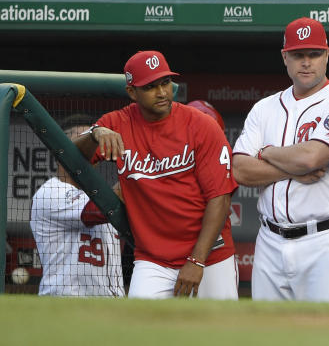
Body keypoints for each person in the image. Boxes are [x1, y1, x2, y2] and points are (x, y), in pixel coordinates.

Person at [74, 50, 238, 299]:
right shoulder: (117, 123)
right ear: (132, 92)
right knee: (141, 332)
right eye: (151, 86)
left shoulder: (201, 125)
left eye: (165, 82)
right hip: (153, 260)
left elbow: (220, 198)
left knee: (220, 334)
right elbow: (69, 161)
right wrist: (94, 133)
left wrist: (197, 260)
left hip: (210, 254)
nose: (162, 92)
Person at [232, 17, 329, 301]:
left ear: (327, 55)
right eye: (298, 55)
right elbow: (240, 170)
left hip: (324, 241)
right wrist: (290, 171)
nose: (307, 62)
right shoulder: (264, 108)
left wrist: (266, 153)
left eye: (314, 54)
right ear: (285, 57)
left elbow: (311, 158)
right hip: (269, 241)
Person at [30, 117, 123, 297]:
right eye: (82, 140)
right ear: (59, 150)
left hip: (109, 307)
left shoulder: (102, 194)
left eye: (93, 142)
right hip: (65, 303)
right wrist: (142, 166)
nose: (90, 147)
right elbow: (97, 212)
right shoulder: (50, 192)